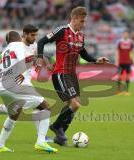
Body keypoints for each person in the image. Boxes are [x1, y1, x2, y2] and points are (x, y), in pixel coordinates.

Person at [0, 29, 58, 153]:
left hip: (2, 87)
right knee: (46, 107)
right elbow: (24, 60)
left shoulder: (4, 51)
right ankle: (41, 141)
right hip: (16, 85)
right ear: (18, 37)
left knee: (14, 114)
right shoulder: (18, 46)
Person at [36, 6, 109, 146]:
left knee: (73, 105)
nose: (84, 24)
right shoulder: (62, 31)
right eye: (82, 21)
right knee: (74, 104)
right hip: (61, 73)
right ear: (74, 19)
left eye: (85, 21)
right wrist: (40, 58)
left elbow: (84, 54)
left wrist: (96, 60)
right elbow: (41, 41)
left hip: (72, 75)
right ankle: (57, 127)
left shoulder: (80, 36)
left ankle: (60, 135)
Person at [116, 30, 134, 96]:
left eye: (126, 34)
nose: (125, 35)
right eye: (124, 34)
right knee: (119, 77)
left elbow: (132, 51)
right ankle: (119, 91)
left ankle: (127, 91)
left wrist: (133, 59)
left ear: (128, 35)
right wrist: (117, 61)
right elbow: (117, 51)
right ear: (123, 35)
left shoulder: (130, 42)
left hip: (128, 61)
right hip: (121, 61)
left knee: (127, 76)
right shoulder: (120, 42)